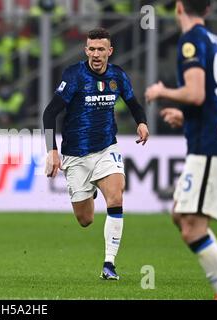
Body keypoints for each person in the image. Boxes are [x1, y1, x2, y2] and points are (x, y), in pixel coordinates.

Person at [43, 27, 149, 280]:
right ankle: (88, 189)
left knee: (115, 196)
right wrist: (52, 151)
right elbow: (49, 113)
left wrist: (142, 122)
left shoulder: (118, 76)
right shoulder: (74, 75)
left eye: (101, 49)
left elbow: (133, 103)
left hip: (106, 148)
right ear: (86, 50)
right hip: (76, 154)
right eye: (91, 49)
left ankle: (109, 264)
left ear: (110, 51)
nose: (96, 54)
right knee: (85, 219)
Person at [145, 0, 217, 299]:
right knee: (181, 215)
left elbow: (196, 92)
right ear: (206, 9)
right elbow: (212, 96)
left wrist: (162, 91)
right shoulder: (214, 40)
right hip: (208, 137)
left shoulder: (191, 41)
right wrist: (186, 115)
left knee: (191, 227)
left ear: (179, 7)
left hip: (208, 145)